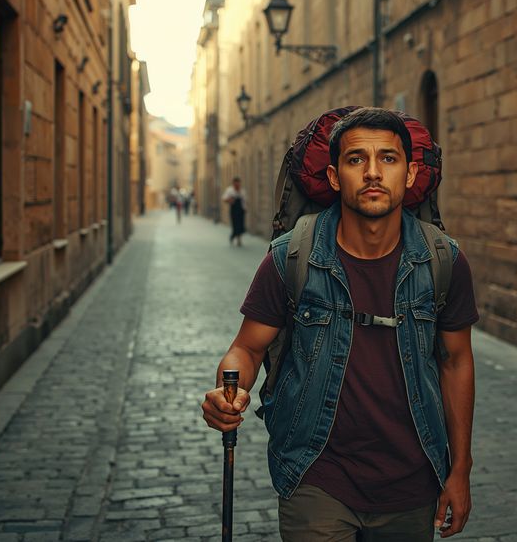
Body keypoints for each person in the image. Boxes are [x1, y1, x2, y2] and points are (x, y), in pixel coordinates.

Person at [201, 108, 478, 541]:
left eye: (388, 158)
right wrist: (228, 391)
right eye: (355, 160)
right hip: (316, 476)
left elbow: (456, 361)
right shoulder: (290, 255)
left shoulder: (444, 260)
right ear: (333, 177)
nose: (372, 173)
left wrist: (459, 469)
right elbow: (248, 348)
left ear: (409, 174)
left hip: (412, 480)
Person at [222, 177, 246, 246]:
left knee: (241, 224)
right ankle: (232, 236)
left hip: (241, 209)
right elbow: (224, 198)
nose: (237, 185)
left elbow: (244, 200)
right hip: (234, 209)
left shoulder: (242, 191)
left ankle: (239, 239)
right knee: (235, 224)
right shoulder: (230, 190)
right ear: (233, 183)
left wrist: (244, 208)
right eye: (236, 183)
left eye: (238, 183)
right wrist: (230, 200)